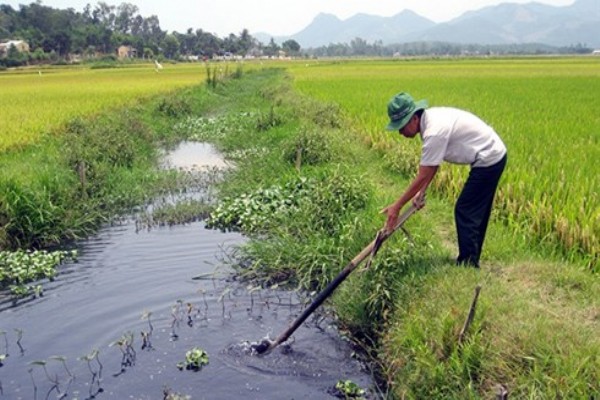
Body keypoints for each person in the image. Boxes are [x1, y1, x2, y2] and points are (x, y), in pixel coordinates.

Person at [381, 92, 507, 268]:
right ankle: (471, 258)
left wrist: (397, 206)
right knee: (475, 211)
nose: (400, 132)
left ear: (414, 119)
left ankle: (468, 263)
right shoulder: (429, 122)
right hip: (491, 154)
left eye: (401, 127)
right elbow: (432, 166)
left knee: (465, 209)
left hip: (489, 158)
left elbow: (424, 173)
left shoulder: (434, 132)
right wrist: (421, 192)